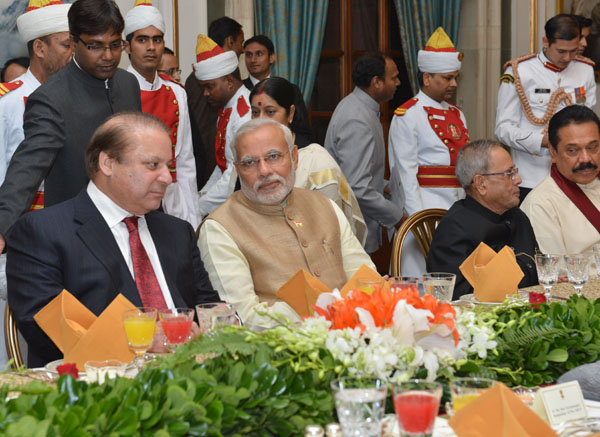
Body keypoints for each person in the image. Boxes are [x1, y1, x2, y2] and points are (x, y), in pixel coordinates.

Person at [6, 111, 218, 368]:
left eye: (168, 166)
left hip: (194, 375)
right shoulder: (44, 231)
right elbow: (46, 327)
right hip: (100, 387)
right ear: (107, 163)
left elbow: (210, 306)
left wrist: (214, 325)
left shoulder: (177, 232)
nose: (167, 178)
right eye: (153, 165)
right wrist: (143, 339)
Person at [198, 118, 375, 326]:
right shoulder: (220, 228)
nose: (264, 171)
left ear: (294, 158)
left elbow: (367, 279)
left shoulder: (324, 204)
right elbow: (241, 318)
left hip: (354, 338)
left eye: (273, 157)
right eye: (249, 163)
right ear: (237, 170)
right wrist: (325, 309)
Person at [0, 0, 141, 254]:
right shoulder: (51, 97)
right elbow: (27, 168)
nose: (108, 56)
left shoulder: (128, 83)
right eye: (95, 46)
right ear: (75, 43)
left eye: (115, 45)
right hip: (79, 238)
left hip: (133, 227)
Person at [388, 26, 469, 277]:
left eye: (455, 77)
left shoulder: (458, 114)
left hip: (457, 211)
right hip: (424, 211)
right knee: (420, 282)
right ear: (426, 78)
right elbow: (405, 176)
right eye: (447, 78)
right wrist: (420, 222)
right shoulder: (407, 115)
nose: (453, 84)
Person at [249, 77, 367, 245]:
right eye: (255, 112)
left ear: (290, 113)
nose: (261, 121)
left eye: (270, 112)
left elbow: (330, 231)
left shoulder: (317, 162)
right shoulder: (247, 160)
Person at [495, 14, 596, 203]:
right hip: (532, 177)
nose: (567, 58)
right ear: (545, 42)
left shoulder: (585, 70)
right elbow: (502, 129)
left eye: (573, 51)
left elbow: (587, 121)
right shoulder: (519, 72)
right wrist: (542, 141)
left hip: (574, 177)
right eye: (561, 51)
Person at [427, 139, 539, 299]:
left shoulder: (517, 216)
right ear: (481, 184)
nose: (519, 180)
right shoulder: (454, 229)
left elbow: (535, 267)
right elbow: (457, 296)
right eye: (510, 174)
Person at [124, 0, 200, 229]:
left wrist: (192, 219)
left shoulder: (176, 92)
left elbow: (186, 160)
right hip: (130, 204)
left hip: (172, 203)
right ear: (127, 46)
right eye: (142, 39)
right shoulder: (115, 89)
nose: (151, 47)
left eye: (157, 39)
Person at [325, 52, 405, 254]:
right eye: (393, 77)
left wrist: (383, 184)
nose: (398, 82)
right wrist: (397, 216)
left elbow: (353, 173)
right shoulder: (357, 118)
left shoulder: (362, 108)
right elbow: (357, 187)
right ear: (376, 82)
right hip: (351, 231)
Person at [521, 105, 600, 255]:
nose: (585, 158)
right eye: (572, 150)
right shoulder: (541, 204)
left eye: (592, 148)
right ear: (553, 153)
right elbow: (556, 273)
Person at [194, 34, 251, 217]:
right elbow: (223, 166)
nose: (205, 93)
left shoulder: (244, 112)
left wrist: (199, 207)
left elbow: (235, 172)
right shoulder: (227, 109)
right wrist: (202, 195)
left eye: (209, 87)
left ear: (228, 82)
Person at [185, 16, 244, 189]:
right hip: (209, 167)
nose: (241, 49)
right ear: (230, 41)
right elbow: (201, 127)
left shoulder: (240, 107)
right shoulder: (199, 80)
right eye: (240, 43)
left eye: (209, 87)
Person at [242, 35, 312, 148]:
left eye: (259, 54)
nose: (253, 60)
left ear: (271, 57)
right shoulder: (240, 91)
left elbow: (303, 130)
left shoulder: (289, 89)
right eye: (249, 55)